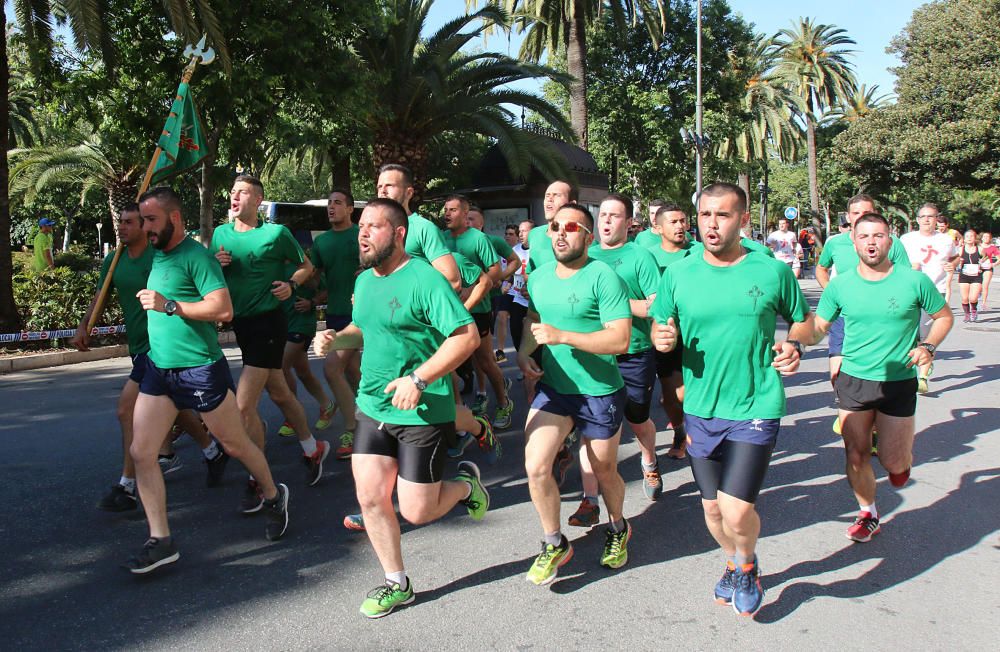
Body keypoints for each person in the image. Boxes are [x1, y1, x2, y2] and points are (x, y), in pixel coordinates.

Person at [313, 198, 489, 618]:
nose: (364, 233)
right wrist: (336, 338)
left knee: (417, 509)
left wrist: (419, 378)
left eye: (374, 226)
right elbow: (366, 327)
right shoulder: (364, 282)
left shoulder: (425, 280)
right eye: (362, 227)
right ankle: (397, 582)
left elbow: (466, 337)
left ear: (399, 234)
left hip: (422, 406)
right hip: (373, 403)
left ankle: (467, 486)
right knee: (371, 497)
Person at [651, 183, 813, 617]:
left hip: (755, 404)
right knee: (711, 512)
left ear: (742, 220)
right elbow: (660, 328)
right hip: (701, 408)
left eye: (722, 215)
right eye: (705, 215)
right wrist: (661, 338)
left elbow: (805, 322)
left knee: (736, 511)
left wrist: (795, 344)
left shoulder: (770, 271)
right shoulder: (678, 274)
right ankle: (738, 560)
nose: (711, 224)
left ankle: (745, 565)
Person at [126, 187, 289, 574]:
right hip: (159, 369)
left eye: (152, 220)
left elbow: (224, 308)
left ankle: (272, 495)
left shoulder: (197, 258)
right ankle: (161, 539)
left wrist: (170, 306)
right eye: (143, 220)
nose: (146, 228)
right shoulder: (158, 254)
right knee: (141, 452)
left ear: (175, 218)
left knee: (235, 444)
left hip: (199, 369)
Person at [807, 212, 953, 543]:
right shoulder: (840, 285)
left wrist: (928, 345)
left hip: (898, 381)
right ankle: (868, 513)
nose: (871, 242)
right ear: (853, 242)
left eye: (878, 236)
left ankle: (900, 465)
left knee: (893, 461)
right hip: (854, 379)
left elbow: (943, 317)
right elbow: (818, 327)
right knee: (855, 454)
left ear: (890, 240)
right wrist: (790, 344)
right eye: (864, 237)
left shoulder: (914, 281)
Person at [73, 204, 227, 512]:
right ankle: (212, 451)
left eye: (130, 222)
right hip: (138, 347)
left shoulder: (158, 257)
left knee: (125, 410)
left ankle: (127, 486)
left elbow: (193, 288)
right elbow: (101, 294)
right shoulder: (114, 259)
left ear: (145, 226)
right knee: (180, 407)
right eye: (121, 222)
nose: (122, 227)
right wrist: (84, 325)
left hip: (159, 348)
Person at [517, 202, 633, 586]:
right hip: (556, 389)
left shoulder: (603, 277)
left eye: (571, 226)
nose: (562, 232)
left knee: (603, 471)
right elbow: (534, 318)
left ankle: (617, 527)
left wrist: (563, 337)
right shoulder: (539, 277)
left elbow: (619, 339)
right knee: (535, 466)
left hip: (599, 391)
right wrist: (523, 352)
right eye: (554, 226)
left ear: (587, 234)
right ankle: (554, 543)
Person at [211, 175, 329, 496]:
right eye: (232, 191)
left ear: (258, 198)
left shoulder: (276, 233)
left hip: (270, 323)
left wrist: (290, 285)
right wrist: (216, 265)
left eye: (242, 193)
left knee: (243, 406)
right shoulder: (221, 234)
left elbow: (306, 267)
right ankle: (311, 447)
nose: (234, 197)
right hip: (243, 326)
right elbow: (209, 278)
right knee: (279, 393)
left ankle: (259, 478)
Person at [568, 193, 661, 530]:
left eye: (615, 215)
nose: (607, 220)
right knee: (591, 428)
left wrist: (617, 304)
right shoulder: (585, 254)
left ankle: (649, 457)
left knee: (637, 418)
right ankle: (590, 499)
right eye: (603, 214)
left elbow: (655, 306)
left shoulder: (640, 257)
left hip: (633, 350)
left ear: (628, 222)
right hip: (595, 353)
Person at [819, 195, 912, 411]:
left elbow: (906, 279)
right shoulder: (835, 243)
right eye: (856, 213)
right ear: (849, 216)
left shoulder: (892, 243)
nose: (861, 216)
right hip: (843, 316)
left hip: (880, 318)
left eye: (867, 212)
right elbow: (821, 268)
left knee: (876, 375)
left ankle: (873, 421)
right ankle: (848, 405)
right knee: (837, 372)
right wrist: (831, 293)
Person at [441, 195, 514, 429]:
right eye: (445, 210)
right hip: (445, 310)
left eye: (453, 210)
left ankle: (503, 402)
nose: (447, 213)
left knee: (484, 360)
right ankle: (458, 415)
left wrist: (476, 288)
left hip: (478, 308)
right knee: (448, 362)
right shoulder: (439, 239)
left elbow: (494, 269)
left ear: (465, 214)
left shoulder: (478, 238)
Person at [310, 188, 360, 459]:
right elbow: (313, 275)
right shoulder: (322, 242)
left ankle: (353, 429)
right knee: (352, 372)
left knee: (331, 369)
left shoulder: (361, 234)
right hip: (335, 315)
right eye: (329, 203)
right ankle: (379, 417)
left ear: (350, 209)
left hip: (360, 315)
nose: (331, 207)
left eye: (338, 203)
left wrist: (369, 269)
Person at [648, 203, 693, 460]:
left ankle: (698, 432)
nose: (680, 226)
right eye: (673, 222)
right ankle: (679, 429)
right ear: (658, 228)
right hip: (663, 333)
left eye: (683, 221)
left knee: (688, 391)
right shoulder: (648, 256)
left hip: (696, 333)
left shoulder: (698, 253)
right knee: (670, 395)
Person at [900, 203, 959, 392]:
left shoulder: (945, 240)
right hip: (909, 289)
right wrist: (909, 268)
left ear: (937, 219)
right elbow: (894, 262)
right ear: (917, 220)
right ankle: (919, 364)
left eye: (931, 216)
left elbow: (955, 257)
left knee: (927, 335)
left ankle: (923, 376)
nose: (927, 220)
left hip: (935, 290)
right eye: (923, 216)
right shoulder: (907, 239)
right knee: (910, 332)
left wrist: (953, 265)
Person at [375, 163, 460, 291]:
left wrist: (411, 299)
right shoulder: (371, 230)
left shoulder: (423, 228)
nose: (383, 191)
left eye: (389, 186)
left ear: (409, 193)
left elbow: (452, 280)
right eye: (379, 187)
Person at [277, 259, 335, 437]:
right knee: (303, 372)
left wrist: (312, 302)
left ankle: (292, 416)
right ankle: (327, 405)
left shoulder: (303, 264)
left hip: (302, 323)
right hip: (281, 324)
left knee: (281, 367)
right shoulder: (270, 263)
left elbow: (327, 288)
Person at [467, 210, 520, 363]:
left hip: (490, 296)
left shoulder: (492, 241)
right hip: (461, 297)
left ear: (481, 224)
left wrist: (499, 278)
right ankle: (478, 384)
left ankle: (499, 363)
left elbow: (514, 262)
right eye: (466, 218)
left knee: (483, 350)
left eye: (471, 219)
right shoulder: (451, 239)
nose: (467, 222)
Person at [957, 229, 985, 322]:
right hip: (964, 275)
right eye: (967, 236)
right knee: (965, 298)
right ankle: (967, 314)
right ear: (964, 239)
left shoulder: (980, 249)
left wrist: (982, 264)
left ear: (975, 238)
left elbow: (986, 257)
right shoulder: (961, 249)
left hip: (976, 276)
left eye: (971, 236)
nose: (969, 238)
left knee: (973, 298)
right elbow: (956, 261)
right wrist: (959, 262)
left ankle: (974, 310)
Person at [934, 215, 961, 304]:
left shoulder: (953, 232)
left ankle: (946, 304)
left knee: (947, 283)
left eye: (942, 226)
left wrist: (958, 245)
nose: (940, 228)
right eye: (938, 226)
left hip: (950, 260)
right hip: (938, 261)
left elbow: (961, 238)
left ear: (947, 225)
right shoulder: (935, 233)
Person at [980, 231, 998, 310]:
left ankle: (984, 303)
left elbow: (999, 259)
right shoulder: (978, 246)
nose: (986, 238)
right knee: (978, 286)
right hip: (977, 268)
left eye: (988, 237)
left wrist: (993, 264)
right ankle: (977, 296)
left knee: (985, 286)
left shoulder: (993, 248)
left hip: (988, 268)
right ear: (982, 238)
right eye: (984, 237)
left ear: (990, 239)